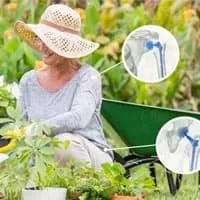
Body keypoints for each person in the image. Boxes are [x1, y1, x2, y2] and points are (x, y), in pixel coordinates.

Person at [14, 4, 113, 169]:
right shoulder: (28, 81)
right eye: (40, 39)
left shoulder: (88, 77)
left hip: (90, 157)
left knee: (62, 143)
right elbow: (20, 127)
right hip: (44, 161)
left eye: (50, 40)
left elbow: (78, 117)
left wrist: (39, 128)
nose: (42, 47)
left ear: (66, 44)